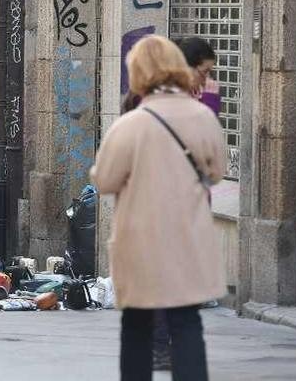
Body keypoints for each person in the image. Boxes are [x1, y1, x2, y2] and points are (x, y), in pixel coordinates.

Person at [91, 35, 226, 381]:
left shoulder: (130, 124)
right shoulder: (203, 116)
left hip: (140, 240)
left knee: (136, 326)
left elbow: (103, 181)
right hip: (188, 238)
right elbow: (216, 172)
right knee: (187, 323)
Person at [176, 36, 221, 116]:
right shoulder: (170, 96)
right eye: (204, 72)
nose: (207, 78)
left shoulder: (195, 92)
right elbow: (200, 126)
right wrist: (210, 101)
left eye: (210, 72)